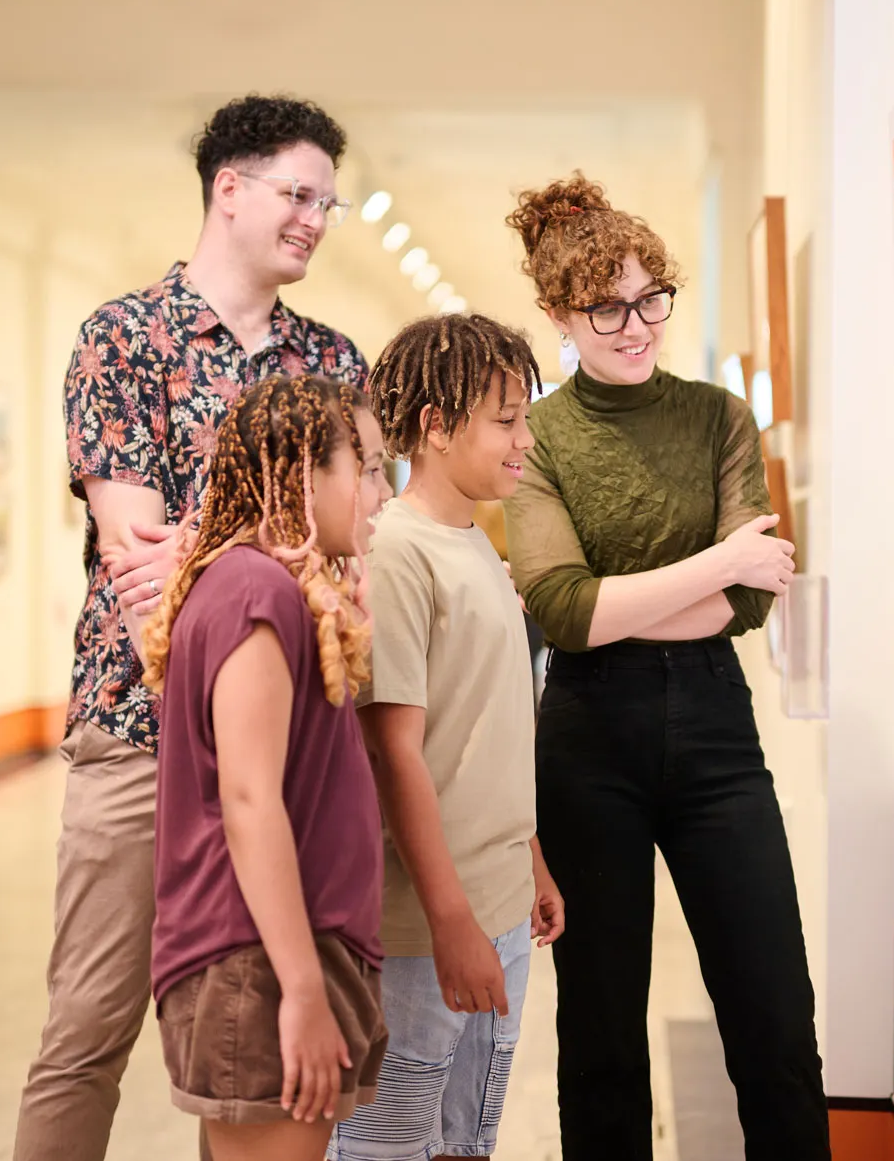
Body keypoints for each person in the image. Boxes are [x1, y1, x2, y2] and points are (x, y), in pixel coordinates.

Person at [16, 95, 371, 1161]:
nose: (315, 217)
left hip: (290, 742)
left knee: (261, 1036)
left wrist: (220, 555)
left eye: (328, 202)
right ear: (229, 189)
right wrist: (279, 558)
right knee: (87, 1028)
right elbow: (135, 564)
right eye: (297, 193)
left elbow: (353, 558)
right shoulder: (122, 339)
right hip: (136, 733)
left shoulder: (334, 363)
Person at [501, 175, 831, 1159]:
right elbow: (558, 610)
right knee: (600, 1036)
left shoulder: (721, 417)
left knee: (775, 1016)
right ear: (561, 313)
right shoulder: (540, 433)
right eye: (606, 306)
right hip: (585, 744)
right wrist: (717, 561)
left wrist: (651, 595)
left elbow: (754, 596)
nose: (635, 324)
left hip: (717, 733)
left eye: (652, 298)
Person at [330, 314, 565, 1161]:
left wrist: (530, 860)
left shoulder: (473, 542)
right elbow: (395, 755)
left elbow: (488, 726)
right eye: (506, 420)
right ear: (435, 424)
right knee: (390, 1143)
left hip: (499, 902)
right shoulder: (398, 551)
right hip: (431, 922)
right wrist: (451, 916)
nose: (524, 440)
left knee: (466, 1137)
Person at [142, 374, 393, 1160]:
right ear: (304, 473)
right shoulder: (255, 591)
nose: (381, 493)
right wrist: (303, 989)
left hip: (277, 954)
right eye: (370, 467)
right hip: (258, 964)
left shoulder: (273, 586)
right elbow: (248, 800)